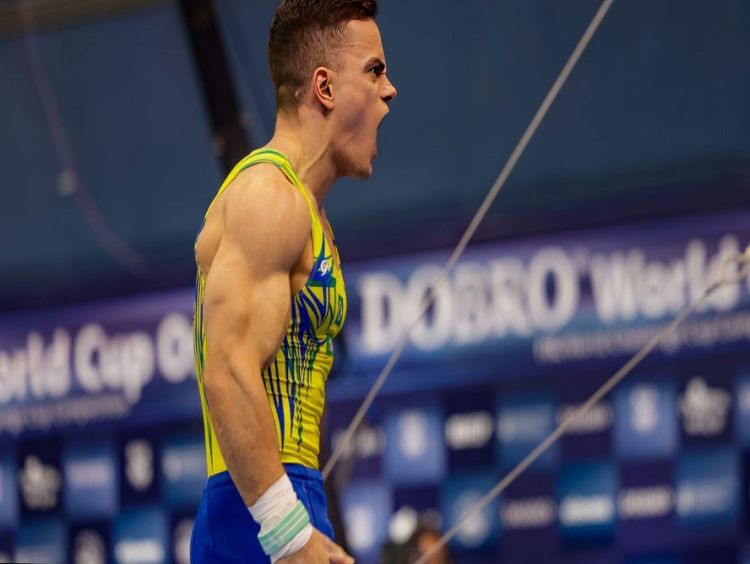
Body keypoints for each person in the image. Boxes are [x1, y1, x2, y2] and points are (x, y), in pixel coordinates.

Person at [190, 0, 397, 562]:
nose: (390, 90)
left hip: (284, 497)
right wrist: (286, 532)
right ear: (324, 88)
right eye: (375, 71)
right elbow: (228, 371)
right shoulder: (268, 197)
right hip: (252, 512)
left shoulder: (308, 214)